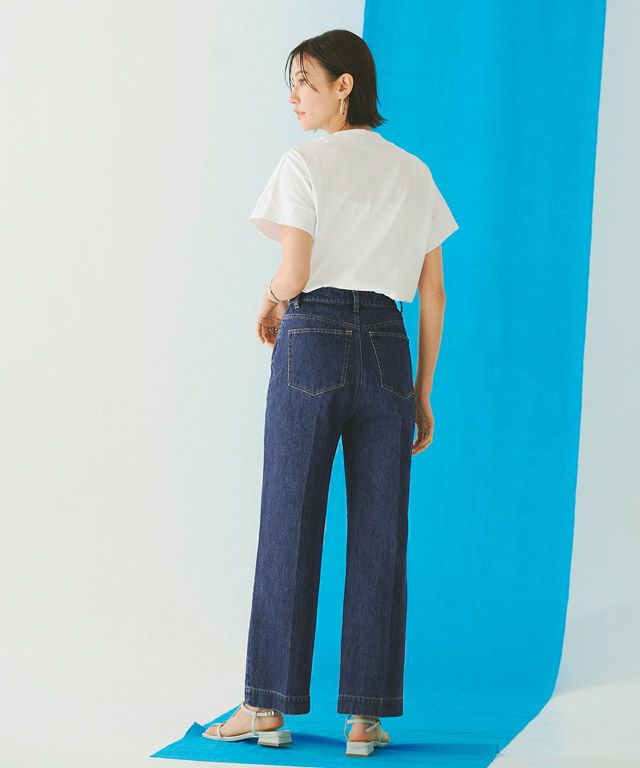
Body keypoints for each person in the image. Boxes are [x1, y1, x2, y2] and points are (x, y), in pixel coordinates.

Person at [202, 29, 459, 757]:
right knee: (380, 531)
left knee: (289, 519)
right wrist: (423, 390)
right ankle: (365, 719)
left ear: (345, 86)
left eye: (305, 82)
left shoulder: (303, 163)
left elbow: (295, 269)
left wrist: (270, 298)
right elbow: (433, 292)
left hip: (311, 337)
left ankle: (266, 707)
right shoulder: (413, 171)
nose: (294, 97)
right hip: (386, 345)